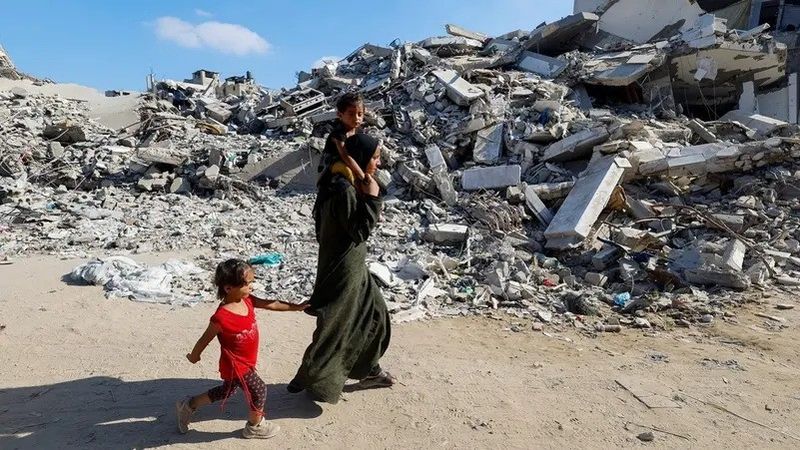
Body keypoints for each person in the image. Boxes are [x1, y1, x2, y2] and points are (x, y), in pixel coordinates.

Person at [289, 133, 395, 404]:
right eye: (375, 157)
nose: (379, 163)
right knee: (337, 325)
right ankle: (312, 376)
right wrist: (372, 200)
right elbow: (359, 231)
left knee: (376, 316)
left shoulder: (342, 181)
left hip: (352, 264)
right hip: (343, 267)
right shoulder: (342, 189)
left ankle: (367, 368)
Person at [175, 259, 307, 438]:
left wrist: (296, 307)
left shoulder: (248, 300)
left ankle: (189, 404)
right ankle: (255, 427)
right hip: (236, 365)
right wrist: (194, 356)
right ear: (229, 288)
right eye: (248, 283)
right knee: (259, 390)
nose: (252, 286)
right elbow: (204, 339)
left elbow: (272, 304)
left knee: (226, 391)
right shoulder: (220, 318)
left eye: (253, 281)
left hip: (247, 361)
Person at [317, 92, 366, 184]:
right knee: (350, 175)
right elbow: (345, 156)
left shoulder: (358, 130)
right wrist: (362, 176)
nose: (356, 118)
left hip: (350, 160)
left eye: (360, 114)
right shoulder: (339, 133)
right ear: (340, 115)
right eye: (351, 114)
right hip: (333, 163)